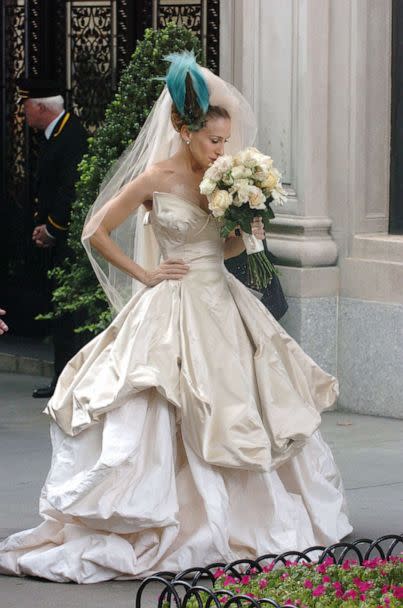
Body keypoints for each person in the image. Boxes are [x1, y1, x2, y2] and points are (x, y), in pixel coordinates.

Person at [0, 54, 352, 583]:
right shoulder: (155, 178)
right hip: (172, 301)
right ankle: (162, 515)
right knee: (160, 400)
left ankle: (244, 517)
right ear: (184, 131)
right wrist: (143, 274)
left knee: (243, 405)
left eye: (226, 142)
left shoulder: (226, 179)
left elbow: (231, 250)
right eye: (214, 141)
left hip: (223, 303)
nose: (222, 150)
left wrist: (248, 225)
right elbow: (94, 230)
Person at [16, 78, 88, 398]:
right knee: (61, 313)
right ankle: (62, 379)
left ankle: (69, 381)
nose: (23, 112)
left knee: (69, 315)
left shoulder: (70, 135)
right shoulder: (54, 132)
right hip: (55, 237)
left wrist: (53, 228)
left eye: (26, 105)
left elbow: (70, 189)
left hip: (68, 241)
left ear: (43, 107)